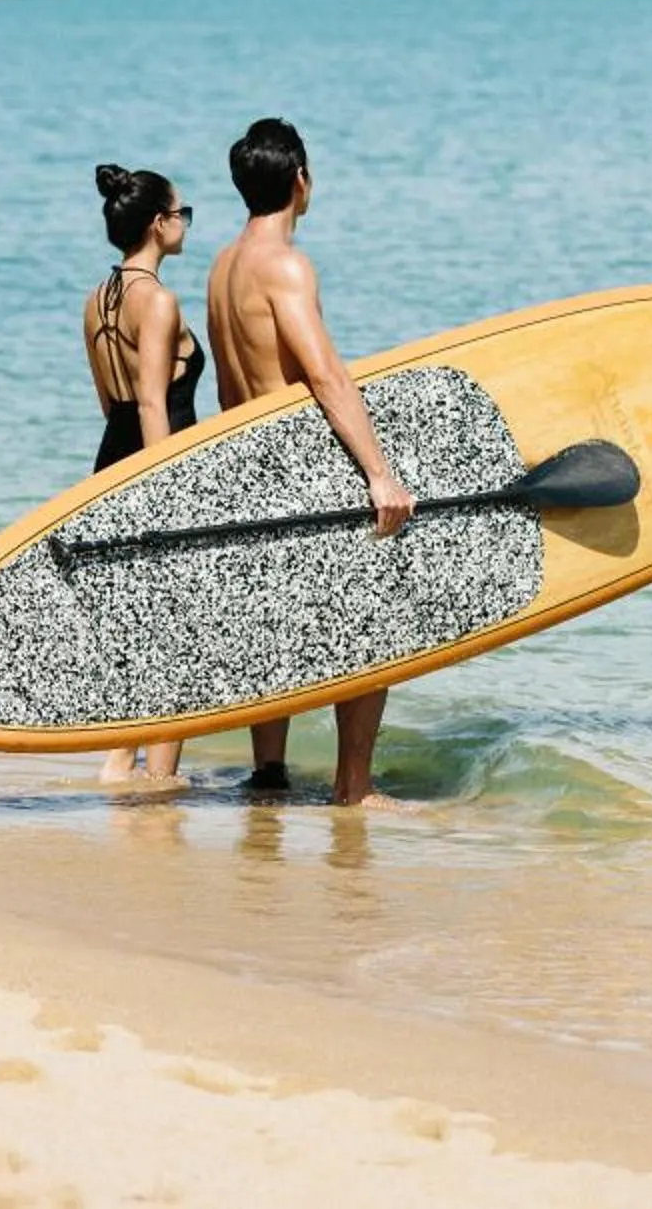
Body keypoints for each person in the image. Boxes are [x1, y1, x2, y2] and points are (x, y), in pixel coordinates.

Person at [204, 118, 414, 807]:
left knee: (276, 624)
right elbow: (324, 375)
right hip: (300, 469)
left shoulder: (222, 268)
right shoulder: (285, 267)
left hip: (247, 465)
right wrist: (379, 472)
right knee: (371, 624)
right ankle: (353, 787)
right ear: (301, 182)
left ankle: (269, 774)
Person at [84, 162, 203, 784]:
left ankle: (118, 762)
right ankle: (158, 782)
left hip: (111, 463)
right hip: (154, 469)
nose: (186, 223)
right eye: (182, 213)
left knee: (135, 628)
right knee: (175, 637)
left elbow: (113, 403)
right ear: (158, 225)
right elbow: (156, 402)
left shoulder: (97, 300)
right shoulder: (155, 301)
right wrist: (167, 495)